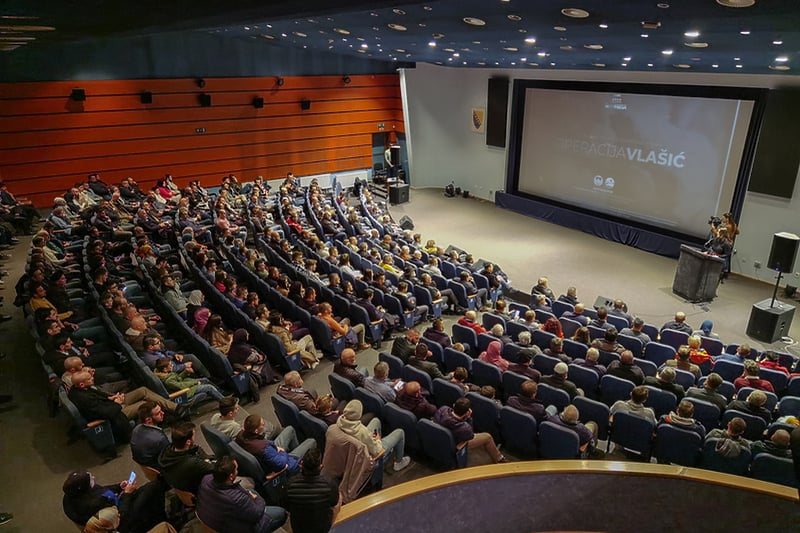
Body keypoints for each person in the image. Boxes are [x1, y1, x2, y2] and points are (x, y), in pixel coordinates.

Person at [68, 370, 183, 444]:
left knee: (143, 391)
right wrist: (117, 403)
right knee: (144, 403)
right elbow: (103, 412)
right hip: (115, 413)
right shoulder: (83, 398)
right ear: (82, 384)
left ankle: (175, 408)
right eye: (89, 379)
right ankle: (167, 416)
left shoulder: (80, 388)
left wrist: (111, 398)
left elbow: (99, 398)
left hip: (111, 404)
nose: (93, 378)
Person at [197, 457, 287, 533]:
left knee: (251, 490)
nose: (237, 471)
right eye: (236, 469)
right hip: (236, 528)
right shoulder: (236, 498)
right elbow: (257, 514)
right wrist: (258, 499)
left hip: (212, 521)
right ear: (231, 476)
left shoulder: (206, 479)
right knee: (281, 513)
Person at [62, 470, 167, 533]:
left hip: (114, 509)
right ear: (84, 487)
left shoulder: (71, 495)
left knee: (148, 489)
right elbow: (121, 513)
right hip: (119, 521)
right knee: (152, 488)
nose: (93, 477)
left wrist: (118, 487)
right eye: (91, 479)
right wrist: (127, 493)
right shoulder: (94, 504)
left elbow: (102, 490)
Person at [337, 399, 411, 471]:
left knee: (376, 421)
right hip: (372, 453)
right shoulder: (362, 432)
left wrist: (374, 438)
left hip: (359, 445)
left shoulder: (340, 421)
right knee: (400, 432)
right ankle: (399, 462)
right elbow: (377, 450)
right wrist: (377, 439)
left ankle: (384, 447)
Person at [282, 448, 342, 533]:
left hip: (299, 528)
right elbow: (334, 502)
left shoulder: (290, 484)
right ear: (320, 467)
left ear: (302, 464)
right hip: (322, 529)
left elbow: (285, 505)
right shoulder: (329, 484)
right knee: (339, 496)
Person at [236, 415, 316, 477]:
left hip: (272, 450)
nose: (264, 425)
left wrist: (275, 448)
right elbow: (282, 464)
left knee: (290, 429)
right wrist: (282, 452)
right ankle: (299, 465)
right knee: (311, 441)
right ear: (256, 431)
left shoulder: (240, 436)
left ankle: (296, 454)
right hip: (284, 462)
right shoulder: (264, 449)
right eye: (262, 425)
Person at [433, 397, 506, 464]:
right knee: (487, 437)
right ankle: (499, 459)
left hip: (439, 436)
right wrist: (468, 418)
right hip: (457, 443)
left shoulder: (443, 409)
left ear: (454, 405)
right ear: (467, 412)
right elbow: (470, 435)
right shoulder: (465, 428)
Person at [158, 422, 215, 493]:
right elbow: (214, 468)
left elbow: (196, 449)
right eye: (194, 435)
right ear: (188, 442)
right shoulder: (192, 463)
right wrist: (206, 461)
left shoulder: (166, 451)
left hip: (181, 484)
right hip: (197, 490)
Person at [130, 402, 170, 470]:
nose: (163, 413)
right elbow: (169, 459)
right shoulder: (160, 439)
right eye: (158, 413)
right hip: (162, 470)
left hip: (148, 466)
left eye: (161, 410)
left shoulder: (136, 429)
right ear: (148, 420)